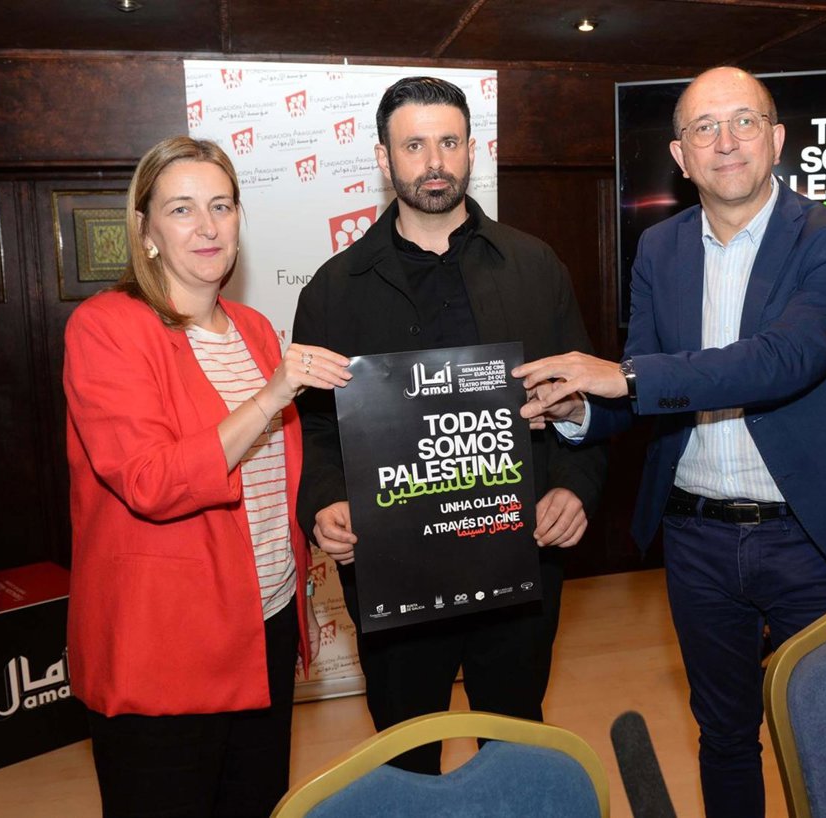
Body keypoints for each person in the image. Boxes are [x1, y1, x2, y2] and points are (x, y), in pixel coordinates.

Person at [513, 67, 826, 817]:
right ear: (681, 156)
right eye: (704, 127)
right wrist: (577, 411)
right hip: (697, 538)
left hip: (814, 536)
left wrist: (624, 377)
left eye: (744, 121)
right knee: (724, 734)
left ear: (776, 139)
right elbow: (645, 390)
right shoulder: (659, 249)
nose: (726, 141)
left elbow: (783, 361)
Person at [292, 76, 607, 774]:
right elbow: (315, 431)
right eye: (414, 145)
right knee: (405, 759)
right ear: (384, 159)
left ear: (471, 150)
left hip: (520, 562)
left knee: (519, 752)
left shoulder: (535, 266)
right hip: (394, 572)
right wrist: (326, 501)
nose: (434, 161)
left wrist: (574, 488)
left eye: (449, 142)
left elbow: (580, 402)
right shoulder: (333, 290)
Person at [63, 136, 351, 817]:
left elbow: (274, 475)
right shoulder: (105, 327)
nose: (207, 226)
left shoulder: (254, 330)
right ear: (146, 230)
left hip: (266, 624)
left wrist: (319, 521)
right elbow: (150, 481)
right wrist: (271, 397)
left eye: (221, 206)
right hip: (165, 641)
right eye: (182, 209)